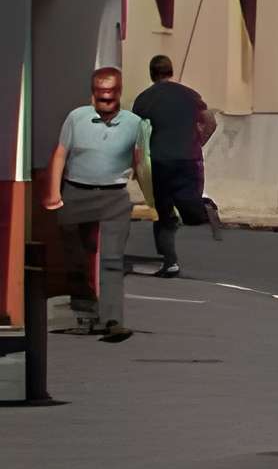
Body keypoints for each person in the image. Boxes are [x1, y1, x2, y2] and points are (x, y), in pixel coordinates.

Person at [43, 66, 153, 340]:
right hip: (75, 193)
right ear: (93, 93)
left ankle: (113, 320)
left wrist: (153, 200)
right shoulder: (76, 118)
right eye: (101, 95)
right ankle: (85, 314)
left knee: (113, 259)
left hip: (114, 196)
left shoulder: (135, 123)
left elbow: (141, 164)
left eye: (111, 96)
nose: (106, 101)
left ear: (119, 92)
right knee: (75, 259)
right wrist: (54, 192)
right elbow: (60, 154)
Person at [130, 55, 221, 276]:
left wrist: (137, 165)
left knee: (164, 215)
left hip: (159, 162)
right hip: (189, 160)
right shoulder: (190, 95)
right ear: (171, 71)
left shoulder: (143, 99)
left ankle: (170, 262)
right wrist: (197, 143)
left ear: (151, 74)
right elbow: (210, 121)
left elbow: (137, 134)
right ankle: (204, 208)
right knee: (189, 208)